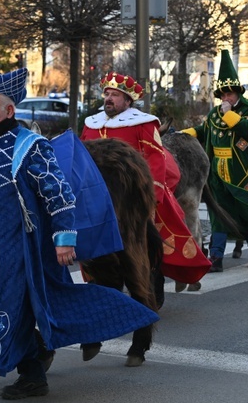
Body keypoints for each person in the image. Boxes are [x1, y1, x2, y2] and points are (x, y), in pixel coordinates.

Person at [0, 68, 159, 403]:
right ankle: (32, 375)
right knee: (16, 308)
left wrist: (64, 239)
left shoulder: (30, 146)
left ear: (9, 110)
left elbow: (59, 195)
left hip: (22, 247)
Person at [81, 72, 210, 288]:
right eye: (107, 94)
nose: (108, 99)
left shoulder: (143, 123)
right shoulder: (91, 124)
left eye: (115, 95)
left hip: (134, 195)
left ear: (128, 101)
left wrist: (151, 196)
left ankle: (155, 280)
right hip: (99, 198)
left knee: (151, 240)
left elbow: (156, 159)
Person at [180, 50, 248, 270]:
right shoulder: (214, 113)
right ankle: (216, 257)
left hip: (244, 173)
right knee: (218, 214)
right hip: (218, 173)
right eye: (222, 94)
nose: (226, 98)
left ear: (237, 93)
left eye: (229, 94)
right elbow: (204, 130)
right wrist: (185, 134)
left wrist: (229, 114)